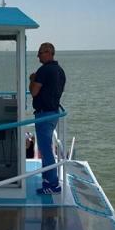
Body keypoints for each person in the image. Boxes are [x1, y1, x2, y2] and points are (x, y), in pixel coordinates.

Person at [29, 42, 66, 195]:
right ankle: (47, 177)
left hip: (44, 114)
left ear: (48, 52)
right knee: (46, 148)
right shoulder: (60, 71)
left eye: (40, 53)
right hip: (53, 113)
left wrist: (32, 79)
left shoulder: (43, 70)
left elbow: (34, 92)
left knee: (46, 150)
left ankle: (53, 184)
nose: (38, 56)